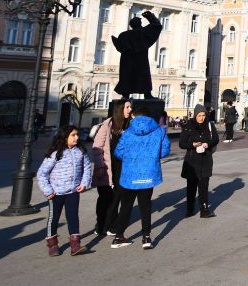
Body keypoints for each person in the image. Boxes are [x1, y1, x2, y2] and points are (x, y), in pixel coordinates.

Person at [111, 111, 171, 249]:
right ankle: (146, 237)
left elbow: (118, 152)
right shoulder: (159, 131)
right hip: (148, 173)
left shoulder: (128, 132)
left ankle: (119, 236)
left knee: (126, 206)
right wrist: (153, 157)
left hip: (130, 174)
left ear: (135, 116)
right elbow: (165, 150)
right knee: (145, 206)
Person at [37, 125, 93, 256]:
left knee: (73, 217)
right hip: (56, 193)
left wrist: (84, 183)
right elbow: (42, 173)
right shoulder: (56, 153)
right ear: (65, 137)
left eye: (77, 135)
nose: (77, 137)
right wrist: (48, 190)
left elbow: (87, 168)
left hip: (73, 191)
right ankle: (53, 245)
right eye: (73, 135)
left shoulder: (81, 151)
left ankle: (75, 245)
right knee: (53, 218)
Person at [91, 98, 132, 237]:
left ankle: (111, 224)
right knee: (105, 197)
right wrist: (100, 165)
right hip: (107, 167)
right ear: (120, 109)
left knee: (117, 196)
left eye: (130, 107)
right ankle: (101, 224)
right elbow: (97, 147)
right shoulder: (107, 125)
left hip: (122, 167)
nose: (130, 110)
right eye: (127, 107)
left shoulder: (129, 126)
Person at [179, 104, 219, 218]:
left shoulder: (210, 125)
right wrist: (193, 144)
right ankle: (190, 209)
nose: (202, 118)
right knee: (191, 187)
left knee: (204, 186)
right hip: (192, 161)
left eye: (203, 115)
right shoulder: (188, 125)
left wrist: (208, 144)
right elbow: (182, 143)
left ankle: (204, 209)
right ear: (195, 115)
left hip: (206, 159)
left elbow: (215, 139)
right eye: (199, 115)